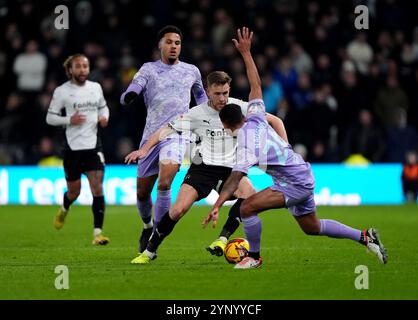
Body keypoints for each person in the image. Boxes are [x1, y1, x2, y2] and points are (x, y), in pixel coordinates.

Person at [203, 27, 388, 269]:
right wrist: (247, 53)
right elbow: (255, 86)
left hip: (294, 183)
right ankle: (365, 236)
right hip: (300, 172)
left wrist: (217, 205)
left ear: (225, 124)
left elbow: (235, 178)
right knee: (312, 227)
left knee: (247, 208)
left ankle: (254, 258)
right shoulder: (256, 116)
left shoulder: (245, 146)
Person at [125, 71, 287, 263]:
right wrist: (144, 150)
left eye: (225, 93)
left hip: (231, 170)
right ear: (208, 91)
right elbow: (165, 129)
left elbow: (276, 120)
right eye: (218, 94)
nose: (222, 98)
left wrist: (285, 149)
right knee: (177, 210)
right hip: (202, 169)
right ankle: (149, 252)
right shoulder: (196, 114)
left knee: (250, 195)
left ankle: (222, 239)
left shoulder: (240, 107)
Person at [120, 25, 208, 257]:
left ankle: (154, 239)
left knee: (166, 180)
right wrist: (130, 95)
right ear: (160, 45)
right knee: (142, 192)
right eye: (169, 42)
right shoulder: (148, 69)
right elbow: (134, 87)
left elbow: (201, 97)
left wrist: (209, 115)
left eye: (177, 43)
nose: (173, 46)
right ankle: (147, 226)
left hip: (179, 133)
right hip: (151, 135)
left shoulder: (192, 71)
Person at [46, 54, 110, 245]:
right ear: (70, 70)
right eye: (78, 67)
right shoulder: (62, 91)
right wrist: (69, 120)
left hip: (93, 147)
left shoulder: (96, 87)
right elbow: (50, 118)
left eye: (85, 66)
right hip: (73, 148)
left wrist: (104, 117)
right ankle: (64, 209)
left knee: (97, 187)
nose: (82, 70)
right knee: (74, 192)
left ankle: (97, 234)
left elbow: (104, 108)